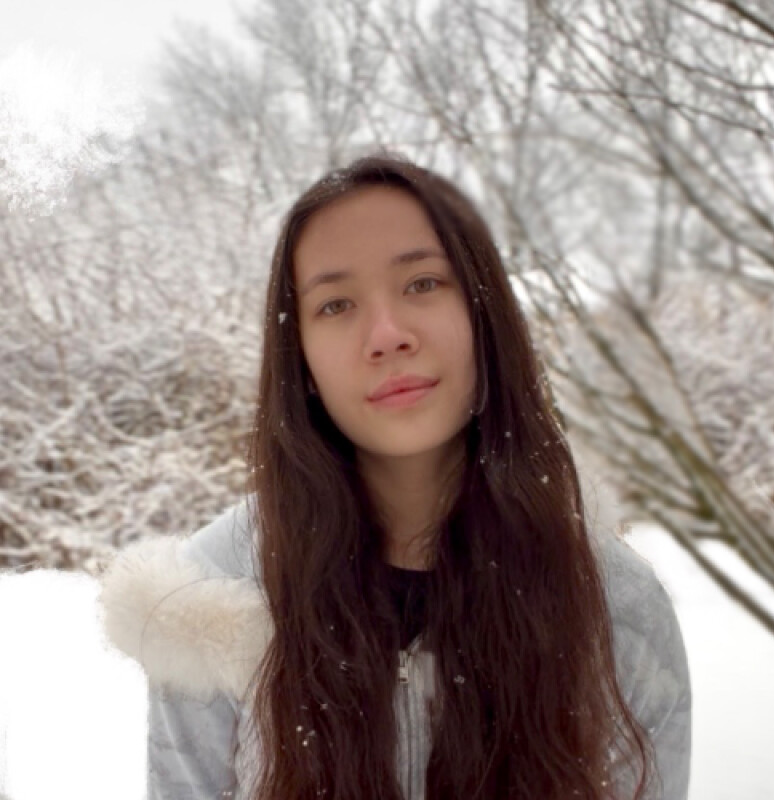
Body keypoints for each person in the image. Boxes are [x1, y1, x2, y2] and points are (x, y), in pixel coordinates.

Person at [97, 153, 692, 800]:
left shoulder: (612, 606)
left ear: (484, 316)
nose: (385, 335)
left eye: (422, 283)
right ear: (301, 360)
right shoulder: (211, 601)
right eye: (335, 304)